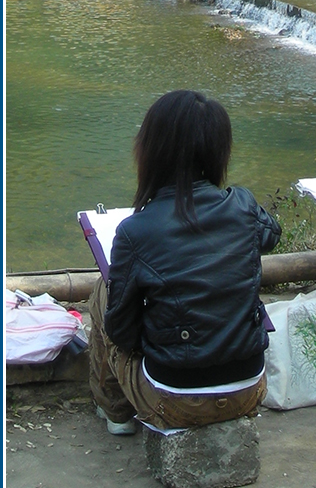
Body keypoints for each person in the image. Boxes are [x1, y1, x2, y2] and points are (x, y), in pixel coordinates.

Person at [89, 90, 282, 435]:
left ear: (151, 150)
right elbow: (271, 235)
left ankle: (116, 413)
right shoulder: (242, 205)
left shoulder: (136, 231)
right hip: (249, 389)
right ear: (218, 151)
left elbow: (121, 331)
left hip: (174, 400)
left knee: (102, 294)